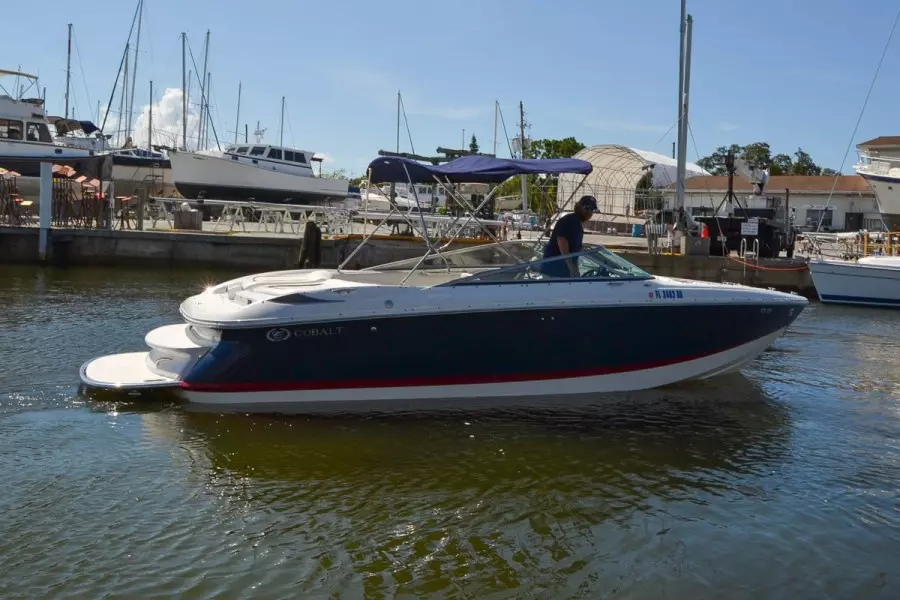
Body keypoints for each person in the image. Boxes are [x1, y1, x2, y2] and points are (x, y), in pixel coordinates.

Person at [541, 195, 597, 277]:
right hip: (554, 270)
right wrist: (571, 268)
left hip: (563, 271)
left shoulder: (578, 225)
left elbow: (575, 250)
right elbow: (561, 240)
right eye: (587, 208)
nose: (589, 212)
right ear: (579, 208)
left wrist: (575, 268)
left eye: (592, 209)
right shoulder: (570, 221)